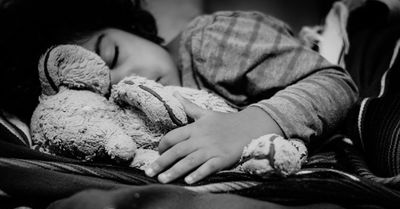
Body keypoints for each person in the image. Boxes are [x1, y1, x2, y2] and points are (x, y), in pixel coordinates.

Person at [0, 0, 358, 184]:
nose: (128, 82)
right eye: (105, 92)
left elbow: (335, 82)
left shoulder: (210, 42)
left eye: (113, 55)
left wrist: (250, 124)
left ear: (127, 27)